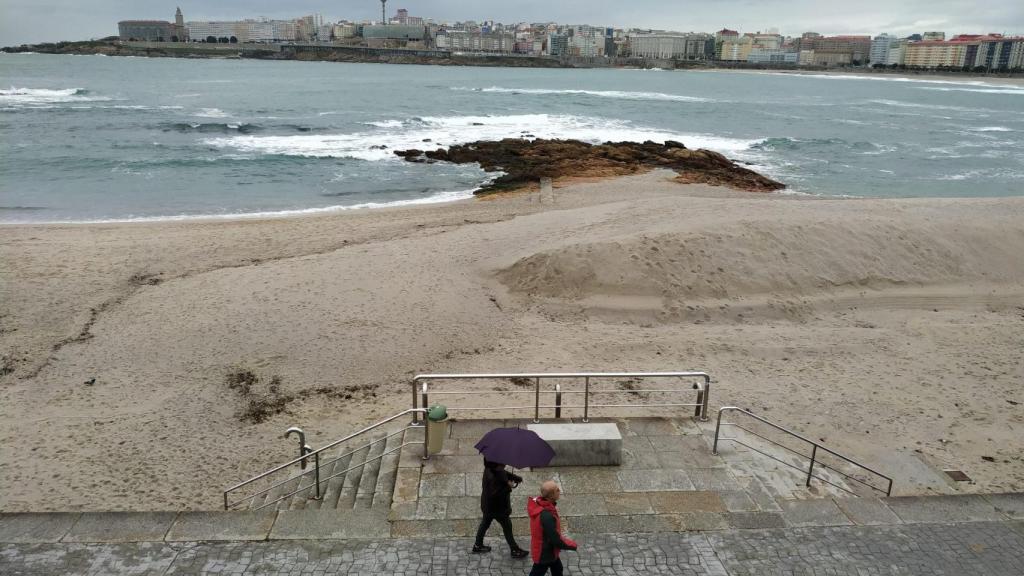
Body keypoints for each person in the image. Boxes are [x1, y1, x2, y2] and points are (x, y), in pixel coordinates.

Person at [473, 459, 529, 558]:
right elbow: (495, 494)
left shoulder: (491, 468)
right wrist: (508, 486)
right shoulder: (494, 475)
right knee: (507, 526)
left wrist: (514, 477)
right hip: (497, 508)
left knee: (485, 523)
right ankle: (514, 549)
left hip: (488, 506)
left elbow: (502, 474)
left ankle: (478, 545)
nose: (505, 462)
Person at [527, 480, 577, 576]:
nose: (559, 490)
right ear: (551, 496)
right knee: (537, 572)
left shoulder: (542, 505)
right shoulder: (546, 515)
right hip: (545, 552)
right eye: (557, 490)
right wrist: (572, 545)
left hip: (547, 549)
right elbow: (556, 539)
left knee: (558, 569)